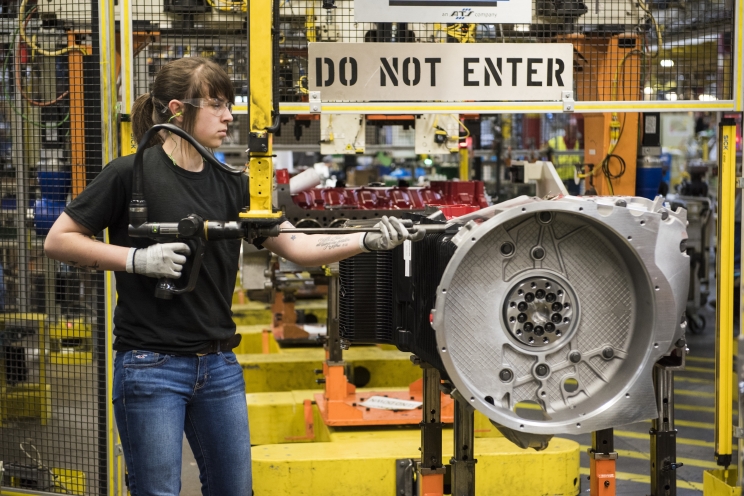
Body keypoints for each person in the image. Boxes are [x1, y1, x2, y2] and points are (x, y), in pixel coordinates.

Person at [43, 57, 413, 496]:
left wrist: (366, 239)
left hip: (218, 365)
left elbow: (298, 246)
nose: (230, 116)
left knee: (235, 490)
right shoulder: (130, 173)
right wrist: (136, 260)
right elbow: (59, 239)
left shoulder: (233, 183)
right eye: (217, 105)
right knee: (157, 491)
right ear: (178, 109)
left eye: (230, 104)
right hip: (150, 364)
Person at [544, 117, 582, 195]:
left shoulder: (580, 143)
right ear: (565, 128)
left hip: (575, 180)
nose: (573, 130)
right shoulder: (556, 141)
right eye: (572, 128)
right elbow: (543, 148)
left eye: (575, 128)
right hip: (559, 179)